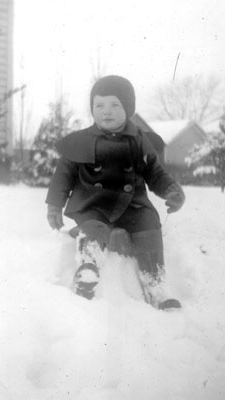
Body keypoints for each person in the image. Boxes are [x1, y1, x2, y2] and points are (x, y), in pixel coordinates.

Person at [46, 75, 185, 309]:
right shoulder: (82, 141)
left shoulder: (140, 140)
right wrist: (54, 205)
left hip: (133, 204)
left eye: (114, 105)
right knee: (92, 226)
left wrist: (170, 189)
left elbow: (155, 173)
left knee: (149, 224)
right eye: (99, 105)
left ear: (128, 109)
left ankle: (156, 284)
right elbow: (63, 175)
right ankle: (87, 270)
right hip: (94, 203)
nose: (106, 111)